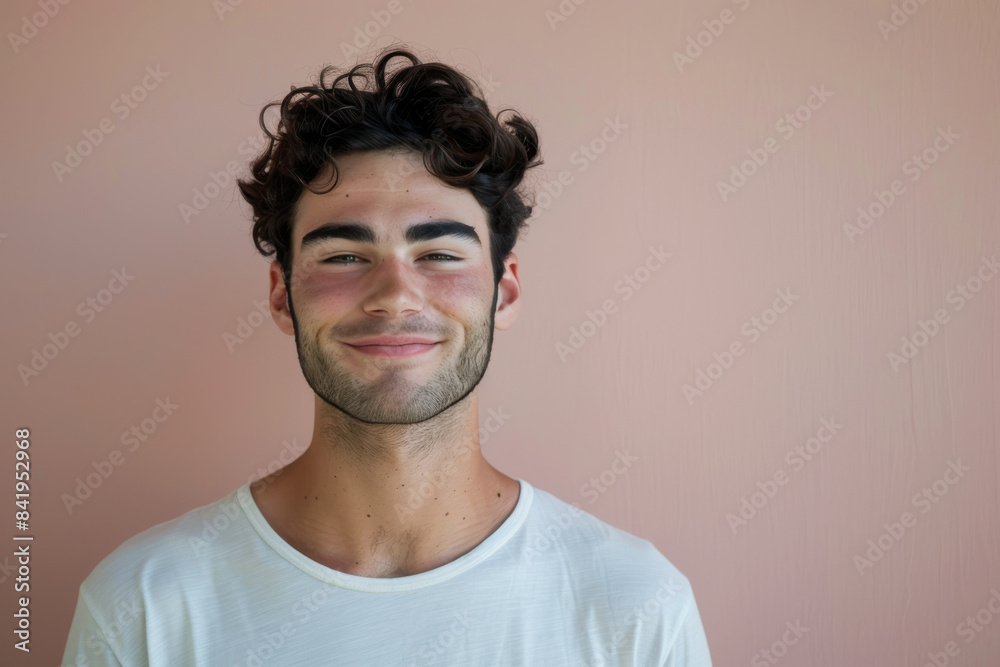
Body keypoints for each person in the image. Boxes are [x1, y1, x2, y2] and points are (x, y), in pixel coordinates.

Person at [62, 45, 713, 666]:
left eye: (439, 255)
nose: (395, 296)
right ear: (283, 296)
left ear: (504, 291)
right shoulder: (143, 606)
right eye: (344, 255)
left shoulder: (636, 603)